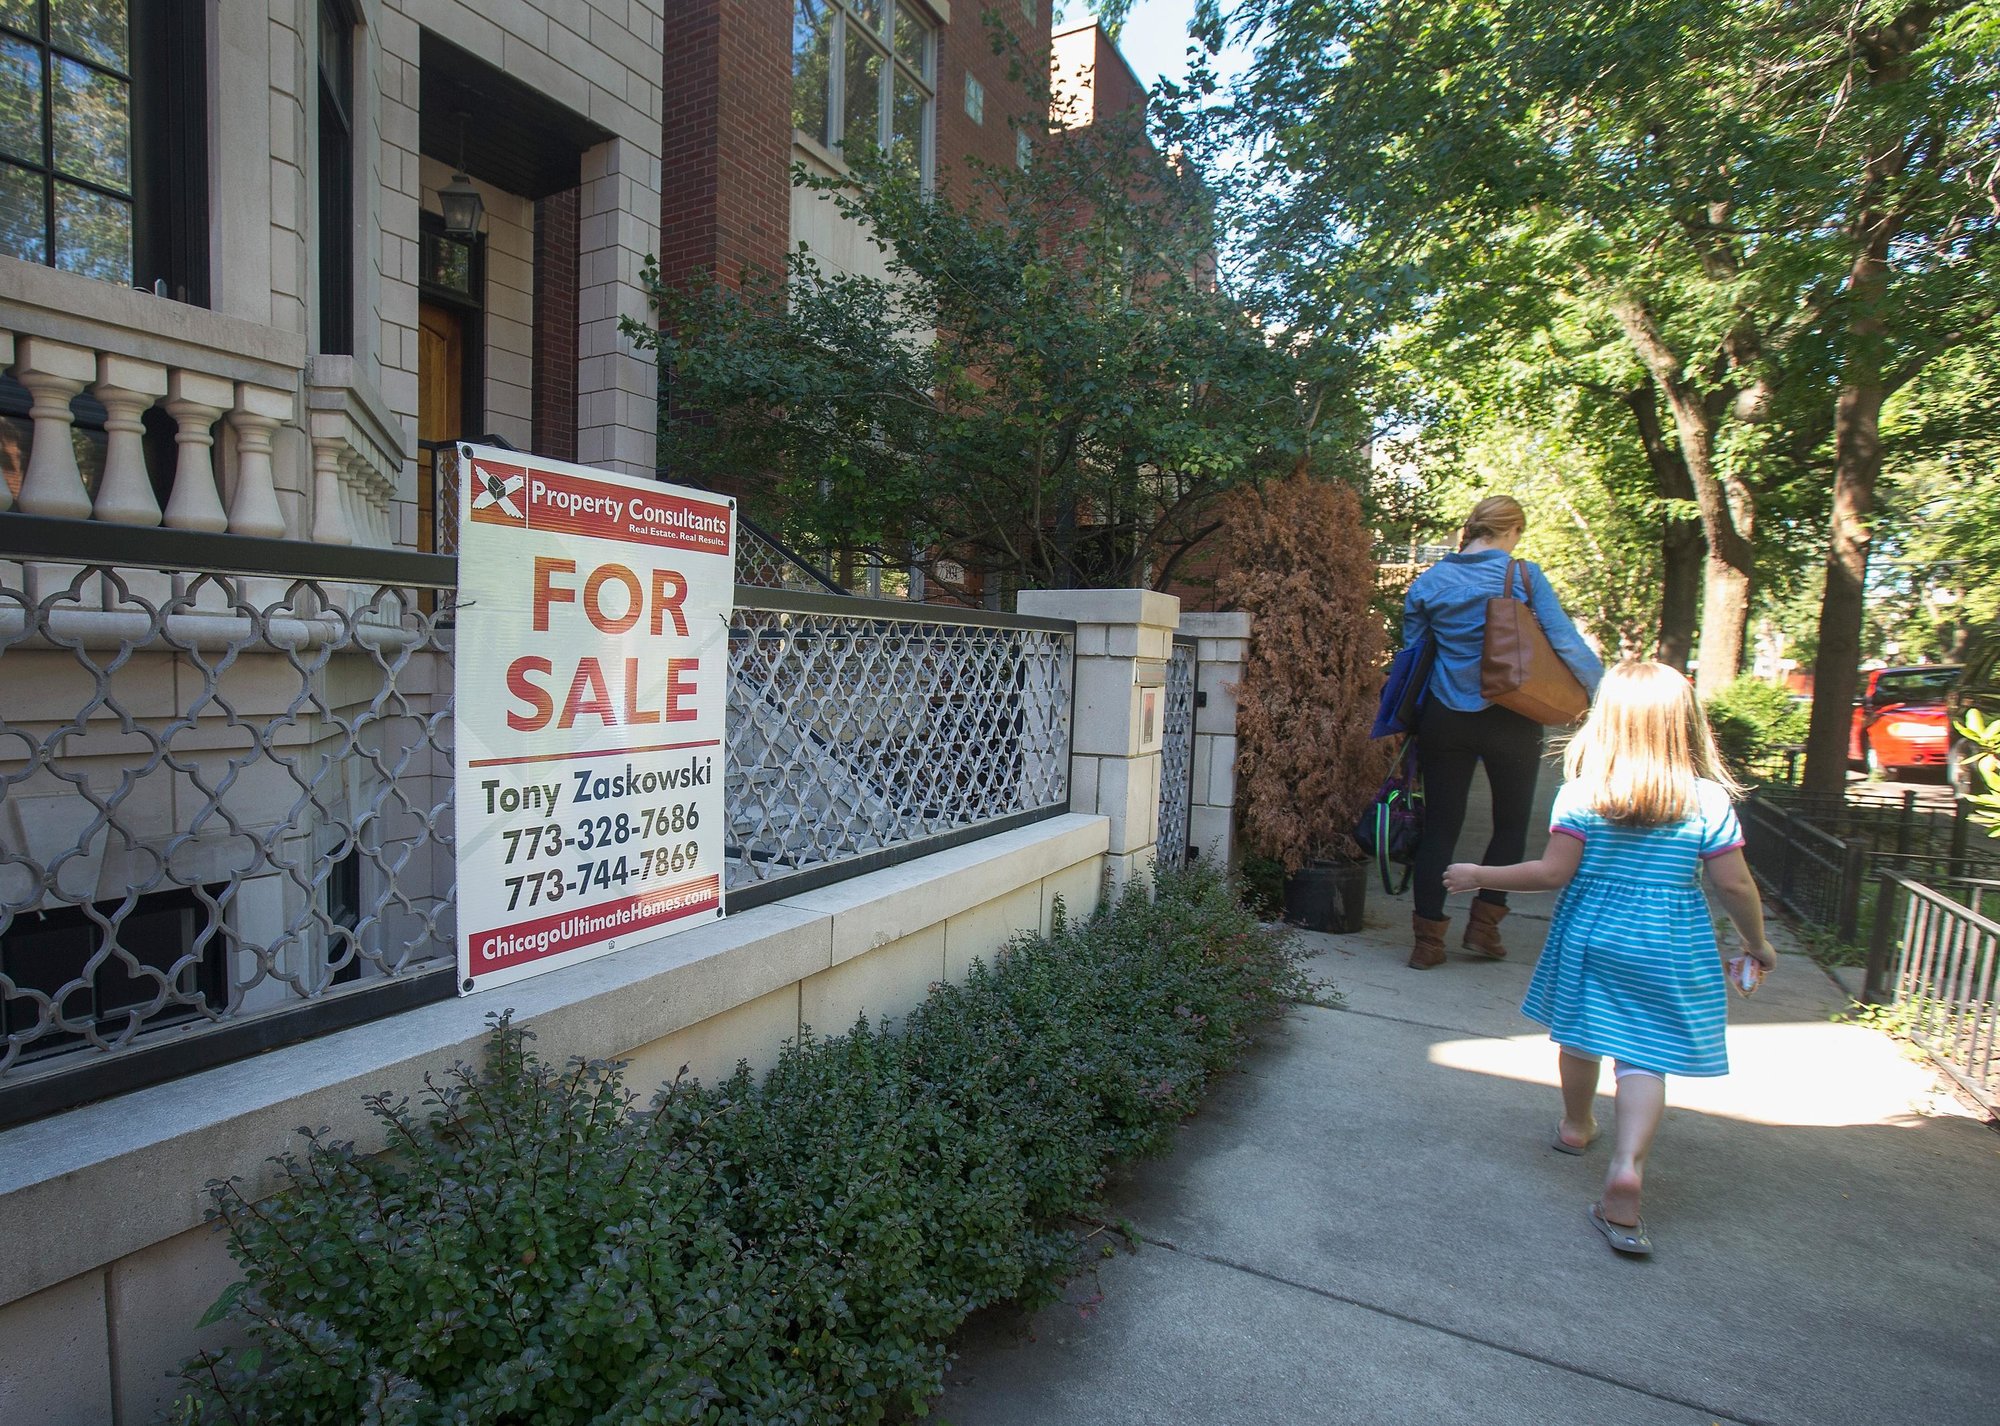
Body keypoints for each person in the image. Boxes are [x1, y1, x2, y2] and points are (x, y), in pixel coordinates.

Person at [1443, 661, 1779, 1257]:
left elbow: (1551, 873)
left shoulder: (1583, 793)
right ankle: (1626, 1168)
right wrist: (1755, 943)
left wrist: (1478, 874)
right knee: (1644, 1056)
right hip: (1671, 942)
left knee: (1580, 1034)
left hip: (1592, 934)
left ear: (1607, 723)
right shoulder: (1705, 799)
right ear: (1685, 725)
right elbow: (1735, 886)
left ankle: (1576, 1127)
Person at [1399, 496, 1602, 969]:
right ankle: (1483, 929)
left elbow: (1413, 655)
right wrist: (1606, 696)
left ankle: (1427, 942)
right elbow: (1565, 642)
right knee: (1510, 825)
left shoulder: (1428, 583)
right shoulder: (1523, 576)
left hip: (1445, 717)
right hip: (1513, 714)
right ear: (1510, 531)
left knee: (1439, 830)